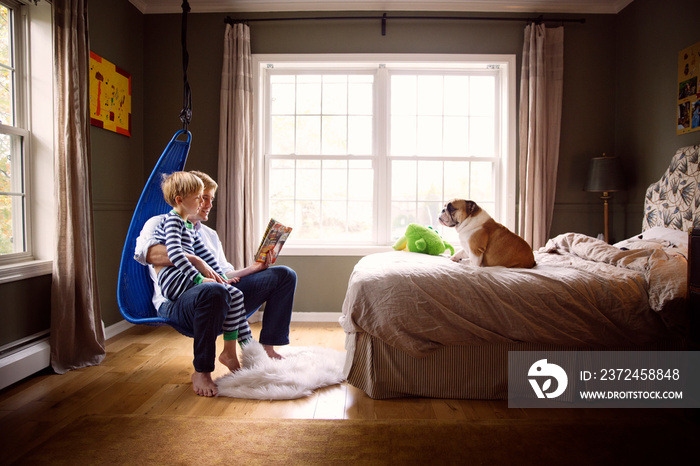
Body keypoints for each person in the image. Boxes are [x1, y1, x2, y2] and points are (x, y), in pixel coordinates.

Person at [134, 171, 297, 397]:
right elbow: (147, 253)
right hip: (177, 299)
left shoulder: (208, 234)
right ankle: (202, 371)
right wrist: (195, 261)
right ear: (185, 197)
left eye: (210, 198)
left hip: (215, 291)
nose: (207, 204)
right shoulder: (160, 222)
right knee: (214, 289)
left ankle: (264, 350)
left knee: (284, 275)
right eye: (203, 197)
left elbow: (222, 273)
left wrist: (254, 268)